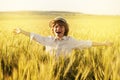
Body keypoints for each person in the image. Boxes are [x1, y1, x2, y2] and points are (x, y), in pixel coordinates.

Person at [13, 17, 112, 56]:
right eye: (56, 27)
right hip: (49, 70)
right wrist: (21, 31)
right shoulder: (48, 40)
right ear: (53, 29)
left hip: (65, 69)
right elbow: (34, 36)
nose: (58, 28)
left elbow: (87, 43)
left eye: (61, 27)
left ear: (65, 29)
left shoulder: (71, 41)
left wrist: (104, 43)